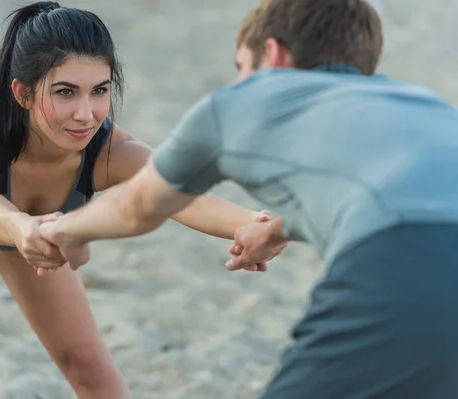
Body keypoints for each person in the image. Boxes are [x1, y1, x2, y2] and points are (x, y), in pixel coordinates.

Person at [0, 1, 288, 398]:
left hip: (26, 223)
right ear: (22, 93)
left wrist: (254, 223)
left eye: (99, 90)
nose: (86, 113)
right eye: (65, 92)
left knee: (88, 366)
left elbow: (177, 190)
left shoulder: (107, 150)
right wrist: (26, 228)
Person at [39, 0, 458, 398]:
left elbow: (139, 206)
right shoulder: (420, 103)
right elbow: (405, 189)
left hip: (404, 267)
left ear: (272, 55)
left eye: (242, 67)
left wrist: (68, 229)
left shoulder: (247, 101)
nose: (241, 82)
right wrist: (277, 230)